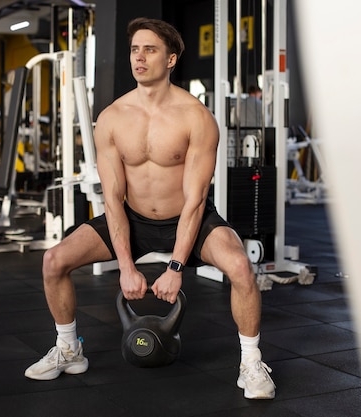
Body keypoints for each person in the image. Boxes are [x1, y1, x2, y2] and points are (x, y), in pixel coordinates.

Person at [24, 17, 275, 400]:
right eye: (134, 50)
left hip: (188, 219)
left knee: (241, 266)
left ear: (171, 59)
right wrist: (126, 267)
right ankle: (69, 349)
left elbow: (195, 200)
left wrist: (175, 267)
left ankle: (251, 363)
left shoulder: (196, 117)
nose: (139, 58)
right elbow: (112, 199)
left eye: (150, 50)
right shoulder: (111, 118)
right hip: (133, 219)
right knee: (53, 261)